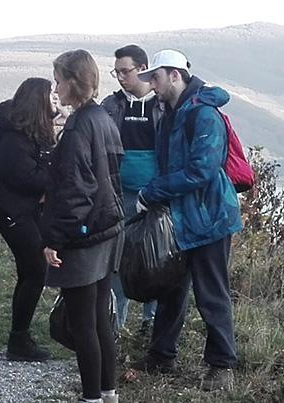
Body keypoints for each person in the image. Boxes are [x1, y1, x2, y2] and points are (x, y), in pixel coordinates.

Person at [131, 49, 243, 392]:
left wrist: (153, 192)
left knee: (212, 293)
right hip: (182, 217)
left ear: (175, 75)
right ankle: (161, 355)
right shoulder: (171, 113)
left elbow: (202, 171)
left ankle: (222, 367)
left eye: (156, 77)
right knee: (170, 288)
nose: (151, 83)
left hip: (209, 218)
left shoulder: (203, 114)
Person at [42, 49, 124, 403]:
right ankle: (109, 393)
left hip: (83, 235)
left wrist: (54, 239)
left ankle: (91, 397)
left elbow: (74, 189)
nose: (56, 88)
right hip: (108, 229)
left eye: (59, 80)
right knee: (100, 318)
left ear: (75, 82)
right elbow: (113, 173)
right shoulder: (104, 118)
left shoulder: (78, 127)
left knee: (82, 323)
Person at [0, 77, 60, 361]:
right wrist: (54, 182)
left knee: (30, 272)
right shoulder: (15, 137)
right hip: (13, 212)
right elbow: (24, 177)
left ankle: (19, 337)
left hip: (22, 211)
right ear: (37, 101)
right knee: (35, 271)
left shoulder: (30, 132)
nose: (55, 99)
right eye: (50, 96)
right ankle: (18, 340)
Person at [99, 44, 161, 334]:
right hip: (119, 193)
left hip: (157, 194)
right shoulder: (111, 106)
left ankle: (151, 320)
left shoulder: (162, 104)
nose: (121, 77)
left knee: (158, 255)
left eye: (126, 71)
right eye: (117, 72)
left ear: (143, 68)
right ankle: (116, 322)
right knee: (118, 258)